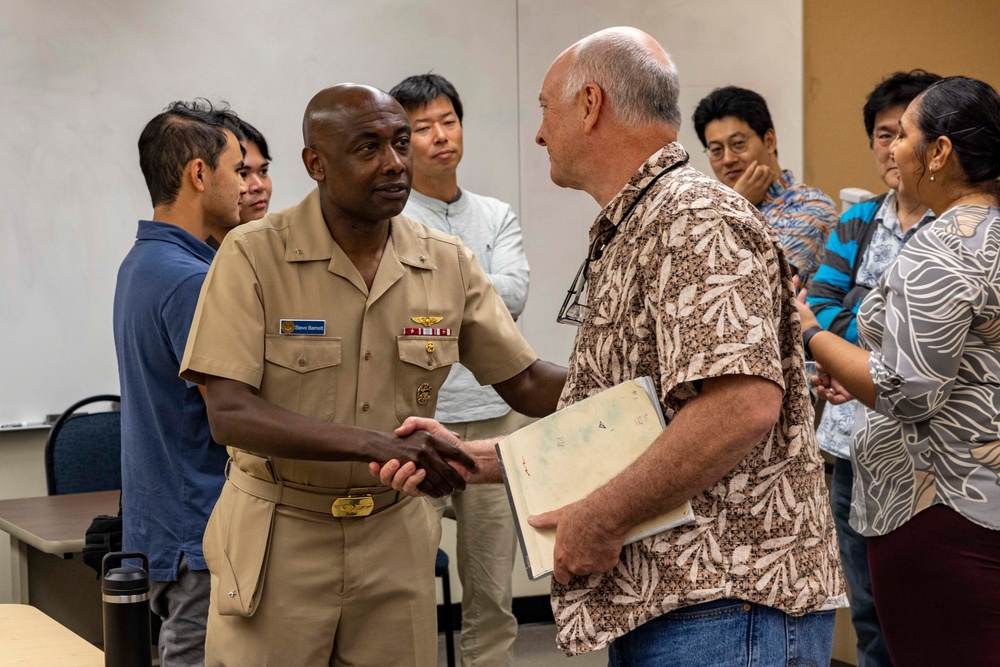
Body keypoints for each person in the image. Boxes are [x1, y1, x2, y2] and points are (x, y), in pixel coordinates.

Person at [378, 27, 846, 666]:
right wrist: (477, 459)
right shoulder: (643, 221)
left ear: (590, 104)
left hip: (726, 600)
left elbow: (739, 405)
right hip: (676, 595)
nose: (539, 133)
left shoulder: (693, 216)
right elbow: (630, 414)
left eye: (546, 109)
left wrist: (599, 516)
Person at [178, 84, 566, 667]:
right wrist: (381, 446)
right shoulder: (253, 255)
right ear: (317, 163)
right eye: (368, 147)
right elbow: (230, 413)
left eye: (400, 143)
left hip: (394, 539)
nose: (394, 163)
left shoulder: (445, 260)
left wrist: (643, 382)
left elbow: (528, 383)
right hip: (282, 533)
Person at [796, 75, 1000, 666]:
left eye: (904, 136)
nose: (892, 151)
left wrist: (808, 330)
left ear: (938, 153)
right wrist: (851, 362)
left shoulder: (940, 250)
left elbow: (902, 390)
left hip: (938, 508)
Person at [390, 72, 531, 667]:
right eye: (423, 128)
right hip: (416, 426)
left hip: (492, 424)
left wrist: (443, 291)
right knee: (407, 591)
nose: (441, 136)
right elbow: (401, 307)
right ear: (401, 141)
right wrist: (471, 289)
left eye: (449, 121)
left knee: (491, 595)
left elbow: (514, 294)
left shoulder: (495, 213)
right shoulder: (391, 222)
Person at [806, 69, 940, 667]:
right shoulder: (856, 224)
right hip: (851, 448)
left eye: (905, 132)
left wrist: (849, 333)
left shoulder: (959, 229)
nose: (892, 148)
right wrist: (869, 332)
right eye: (883, 134)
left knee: (931, 620)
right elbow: (818, 309)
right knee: (868, 617)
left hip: (930, 458)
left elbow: (931, 335)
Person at [114, 99, 246, 666]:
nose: (247, 186)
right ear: (199, 174)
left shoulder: (142, 262)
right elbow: (236, 411)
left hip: (163, 523)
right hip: (197, 529)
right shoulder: (191, 281)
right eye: (238, 170)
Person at [693, 86, 838, 282]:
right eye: (716, 150)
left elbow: (756, 286)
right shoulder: (711, 207)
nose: (727, 159)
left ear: (769, 141)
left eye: (738, 144)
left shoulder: (811, 207)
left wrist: (738, 206)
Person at [206, 118, 273, 247]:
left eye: (263, 171)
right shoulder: (196, 261)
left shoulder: (277, 245)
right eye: (242, 174)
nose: (259, 186)